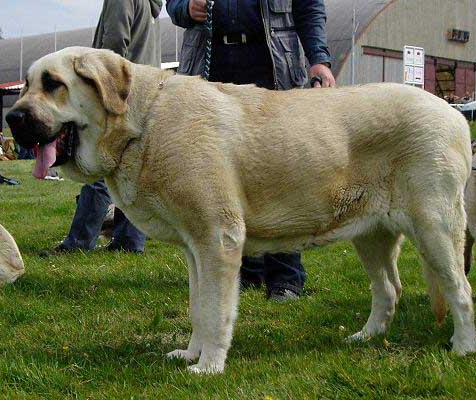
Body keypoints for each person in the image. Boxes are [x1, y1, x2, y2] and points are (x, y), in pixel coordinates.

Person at [167, 0, 335, 301]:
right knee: (222, 178)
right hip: (213, 67)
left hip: (270, 66)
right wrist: (185, 8)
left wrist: (319, 59)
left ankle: (285, 277)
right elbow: (173, 3)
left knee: (279, 175)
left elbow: (309, 7)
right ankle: (246, 269)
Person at [44, 0, 162, 255]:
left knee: (96, 163)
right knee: (132, 170)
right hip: (143, 92)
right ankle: (129, 241)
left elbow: (114, 44)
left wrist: (97, 88)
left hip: (118, 93)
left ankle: (79, 242)